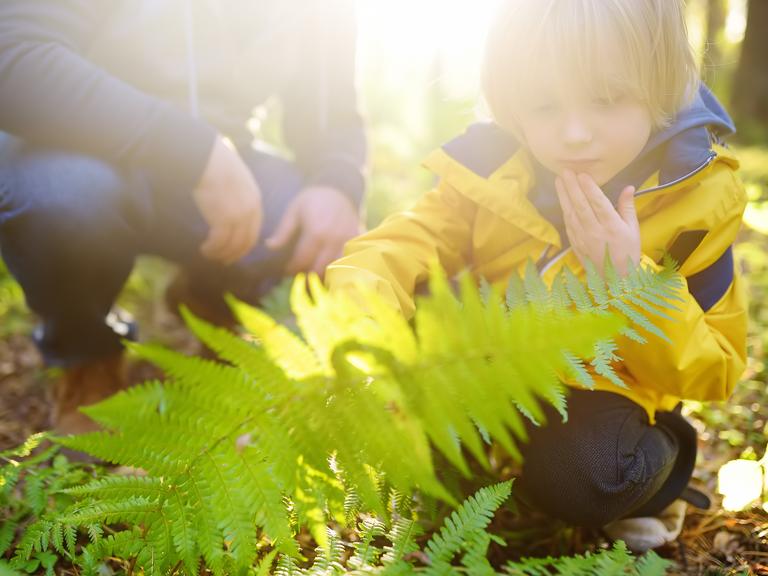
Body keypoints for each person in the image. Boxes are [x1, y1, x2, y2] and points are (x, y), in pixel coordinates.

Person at [326, 0, 747, 550]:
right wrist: (357, 326)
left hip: (604, 400)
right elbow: (396, 248)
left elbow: (716, 369)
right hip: (490, 375)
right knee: (407, 455)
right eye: (544, 105)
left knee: (588, 476)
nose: (574, 133)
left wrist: (628, 282)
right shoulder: (491, 170)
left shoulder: (695, 199)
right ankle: (505, 470)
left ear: (659, 84)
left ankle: (660, 475)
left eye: (605, 99)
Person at [0, 1, 366, 435]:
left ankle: (214, 298)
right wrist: (190, 149)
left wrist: (337, 182)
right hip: (73, 149)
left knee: (324, 243)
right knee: (61, 198)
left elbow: (331, 115)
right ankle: (87, 360)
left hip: (228, 167)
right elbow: (14, 61)